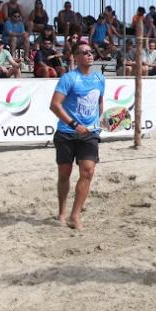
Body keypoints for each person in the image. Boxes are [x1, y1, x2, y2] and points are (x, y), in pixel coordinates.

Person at [49, 42, 105, 230]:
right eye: (85, 52)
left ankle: (75, 215)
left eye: (91, 51)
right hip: (66, 132)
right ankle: (62, 211)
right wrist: (74, 124)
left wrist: (101, 122)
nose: (90, 55)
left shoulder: (99, 78)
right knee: (64, 174)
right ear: (76, 57)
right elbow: (55, 105)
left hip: (90, 133)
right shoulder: (69, 78)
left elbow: (99, 102)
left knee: (87, 171)